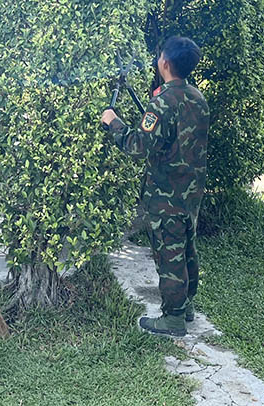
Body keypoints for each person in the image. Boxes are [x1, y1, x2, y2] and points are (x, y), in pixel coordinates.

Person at [100, 36, 209, 338]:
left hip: (167, 192)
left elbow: (138, 145)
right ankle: (185, 305)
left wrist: (114, 123)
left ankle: (172, 318)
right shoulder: (196, 97)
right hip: (191, 190)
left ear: (164, 62)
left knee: (169, 252)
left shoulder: (162, 103)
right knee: (186, 246)